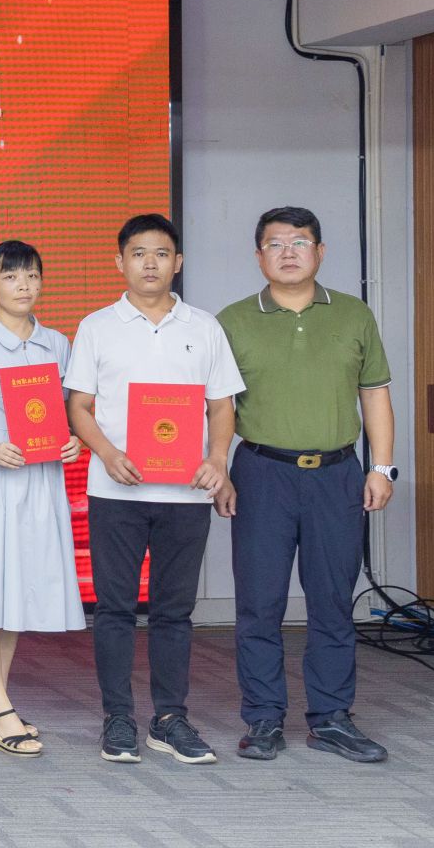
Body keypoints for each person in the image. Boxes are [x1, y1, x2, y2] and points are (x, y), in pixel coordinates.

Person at [216, 206, 394, 764]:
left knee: (332, 601)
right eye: (275, 243)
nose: (288, 252)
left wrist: (382, 467)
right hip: (261, 473)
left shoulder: (354, 314)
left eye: (299, 241)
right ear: (258, 256)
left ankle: (331, 718)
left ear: (320, 252)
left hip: (338, 475)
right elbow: (217, 405)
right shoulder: (232, 321)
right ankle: (263, 718)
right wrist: (218, 468)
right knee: (259, 603)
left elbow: (374, 393)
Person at [65, 213, 242, 767]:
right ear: (119, 261)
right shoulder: (97, 326)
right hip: (116, 491)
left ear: (178, 262)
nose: (150, 263)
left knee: (174, 611)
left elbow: (221, 406)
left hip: (186, 494)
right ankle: (118, 716)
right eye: (138, 253)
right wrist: (106, 452)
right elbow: (78, 406)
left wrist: (218, 460)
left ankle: (170, 718)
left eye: (161, 254)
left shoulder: (204, 327)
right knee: (115, 609)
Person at [0, 241, 84, 758]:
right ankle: (1, 707)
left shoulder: (57, 344)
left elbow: (66, 411)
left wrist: (73, 439)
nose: (23, 285)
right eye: (10, 276)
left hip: (40, 478)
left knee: (16, 587)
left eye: (31, 276)